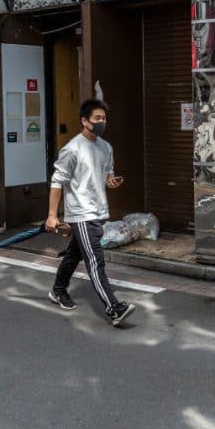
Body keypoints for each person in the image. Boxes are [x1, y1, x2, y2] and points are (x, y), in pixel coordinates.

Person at [45, 99, 136, 327]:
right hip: (81, 213)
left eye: (104, 118)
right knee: (95, 261)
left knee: (74, 254)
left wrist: (111, 182)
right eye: (97, 118)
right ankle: (113, 308)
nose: (102, 122)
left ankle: (58, 290)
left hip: (97, 211)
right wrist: (52, 215)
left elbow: (106, 176)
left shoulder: (106, 147)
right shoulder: (72, 149)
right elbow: (57, 182)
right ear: (84, 121)